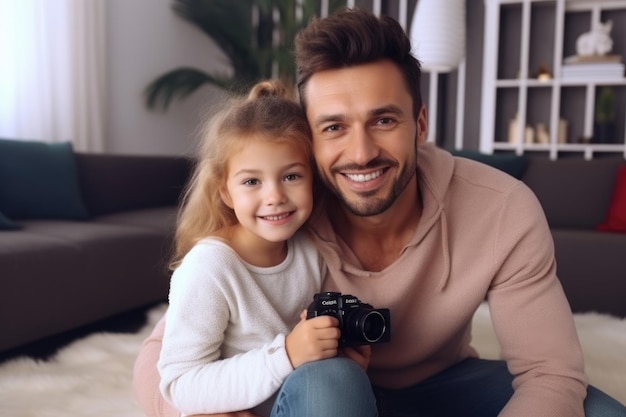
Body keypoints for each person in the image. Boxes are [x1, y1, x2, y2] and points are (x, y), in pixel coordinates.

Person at [134, 8, 626, 417]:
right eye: (333, 127)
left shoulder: (502, 208)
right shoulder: (286, 206)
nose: (361, 152)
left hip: (443, 384)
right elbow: (164, 358)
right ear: (308, 138)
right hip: (328, 390)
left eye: (384, 119)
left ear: (420, 123)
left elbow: (550, 371)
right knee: (332, 383)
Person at [143, 80, 375, 417]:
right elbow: (181, 385)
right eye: (252, 181)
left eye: (291, 177)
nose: (275, 196)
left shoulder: (311, 249)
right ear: (225, 191)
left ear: (314, 179)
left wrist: (339, 357)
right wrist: (287, 355)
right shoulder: (209, 267)